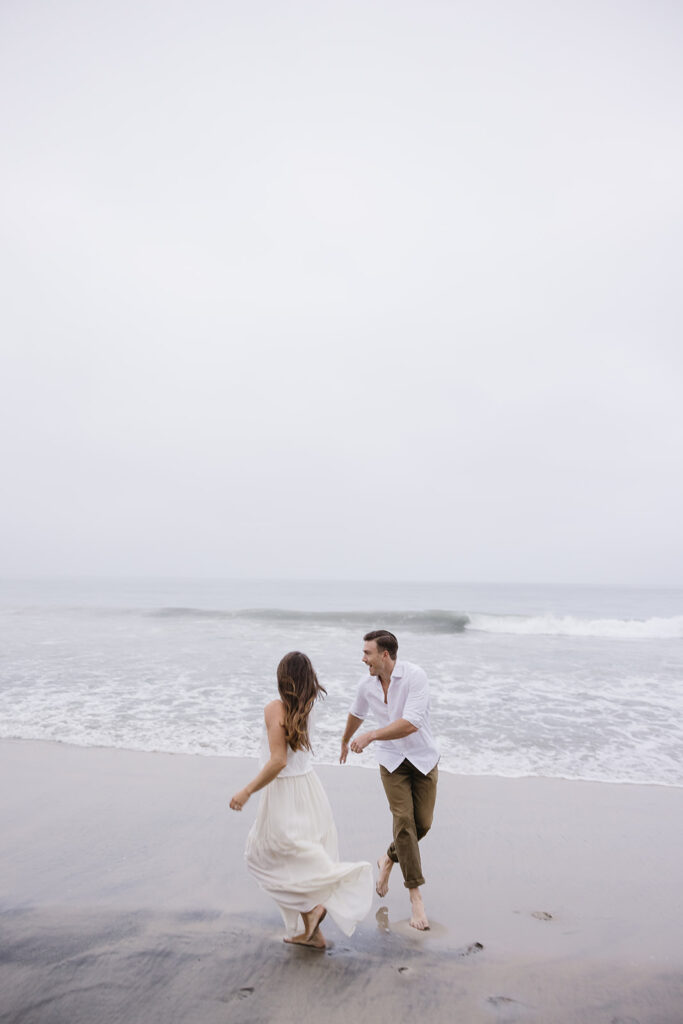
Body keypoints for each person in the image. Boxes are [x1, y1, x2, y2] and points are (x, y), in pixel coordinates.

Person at [230, 651, 372, 949]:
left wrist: (247, 790)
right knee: (299, 852)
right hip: (309, 789)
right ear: (309, 680)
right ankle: (311, 931)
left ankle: (314, 907)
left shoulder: (274, 709)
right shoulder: (308, 708)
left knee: (262, 855)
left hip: (282, 791)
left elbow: (278, 761)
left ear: (282, 680)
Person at [340, 630, 439, 931]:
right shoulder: (366, 685)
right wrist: (345, 740)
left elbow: (410, 724)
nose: (363, 658)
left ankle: (389, 858)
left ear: (384, 655)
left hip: (422, 758)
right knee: (404, 821)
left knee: (422, 824)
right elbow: (357, 713)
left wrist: (370, 735)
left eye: (367, 653)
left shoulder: (414, 677)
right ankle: (416, 898)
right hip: (391, 761)